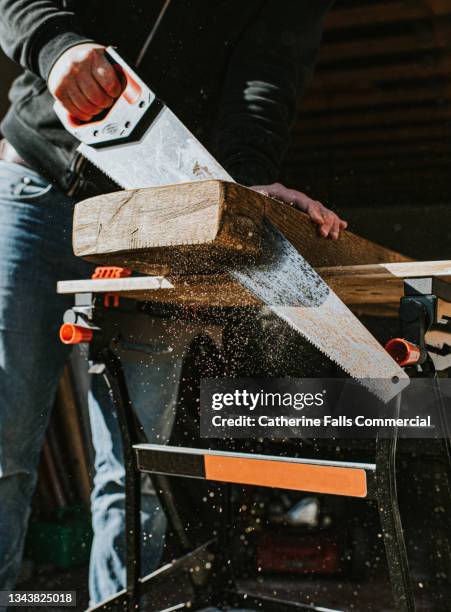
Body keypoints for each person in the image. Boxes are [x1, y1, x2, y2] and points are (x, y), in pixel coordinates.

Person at [0, 0, 346, 605]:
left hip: (157, 218)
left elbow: (265, 75)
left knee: (138, 471)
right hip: (38, 184)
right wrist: (56, 48)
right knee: (5, 448)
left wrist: (242, 185)